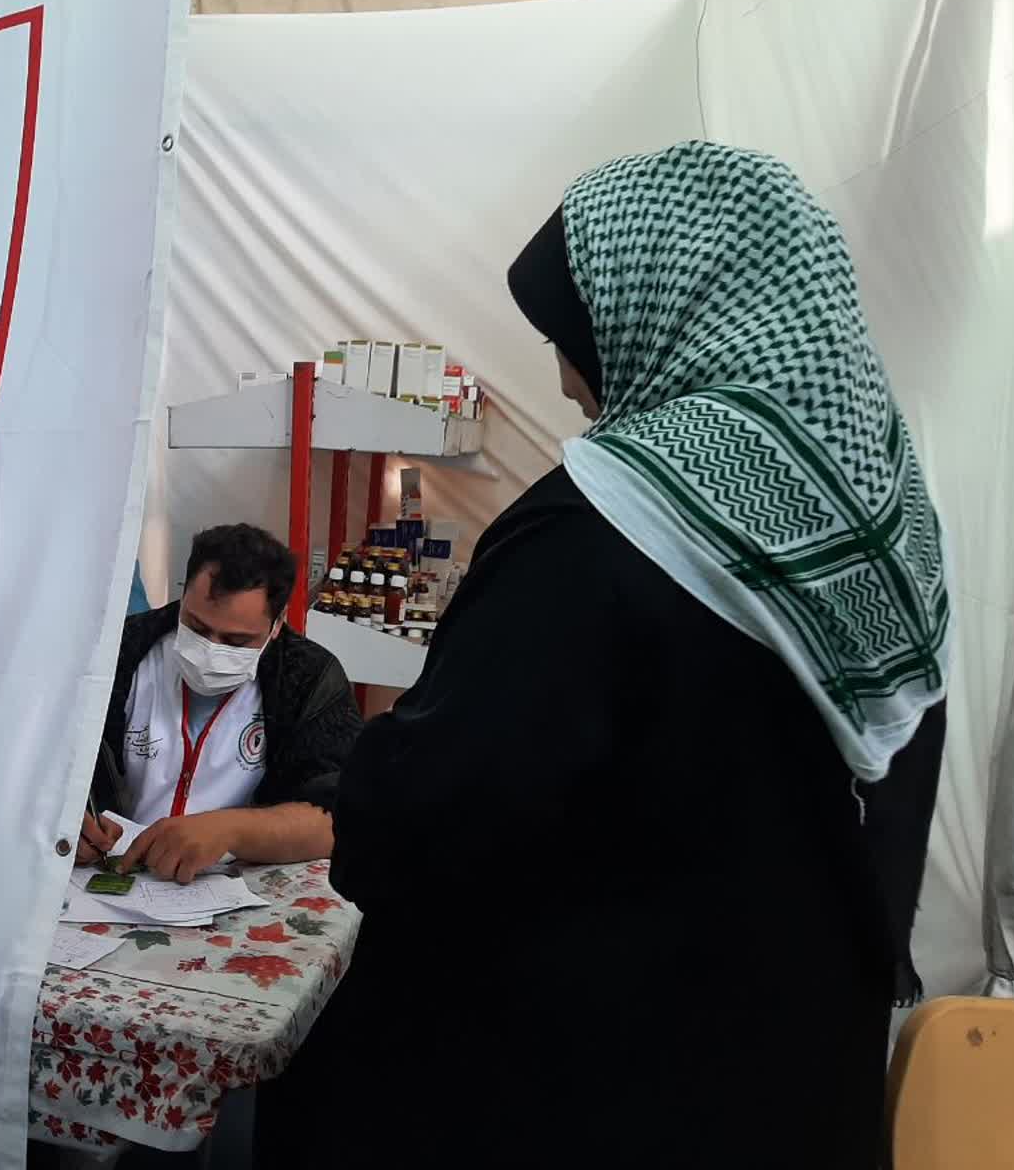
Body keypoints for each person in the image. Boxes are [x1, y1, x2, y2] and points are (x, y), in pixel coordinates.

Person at [259, 142, 950, 1167]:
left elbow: (431, 817)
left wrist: (372, 770)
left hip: (589, 1087)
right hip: (797, 1079)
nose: (568, 379)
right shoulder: (889, 528)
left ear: (662, 307)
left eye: (571, 334)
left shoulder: (606, 526)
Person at [80, 523, 363, 881]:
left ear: (276, 625)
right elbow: (47, 762)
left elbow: (341, 819)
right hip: (117, 870)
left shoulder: (308, 678)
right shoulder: (118, 653)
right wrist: (70, 819)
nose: (210, 651)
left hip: (235, 882)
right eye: (196, 628)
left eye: (236, 641)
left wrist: (232, 830)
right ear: (183, 596)